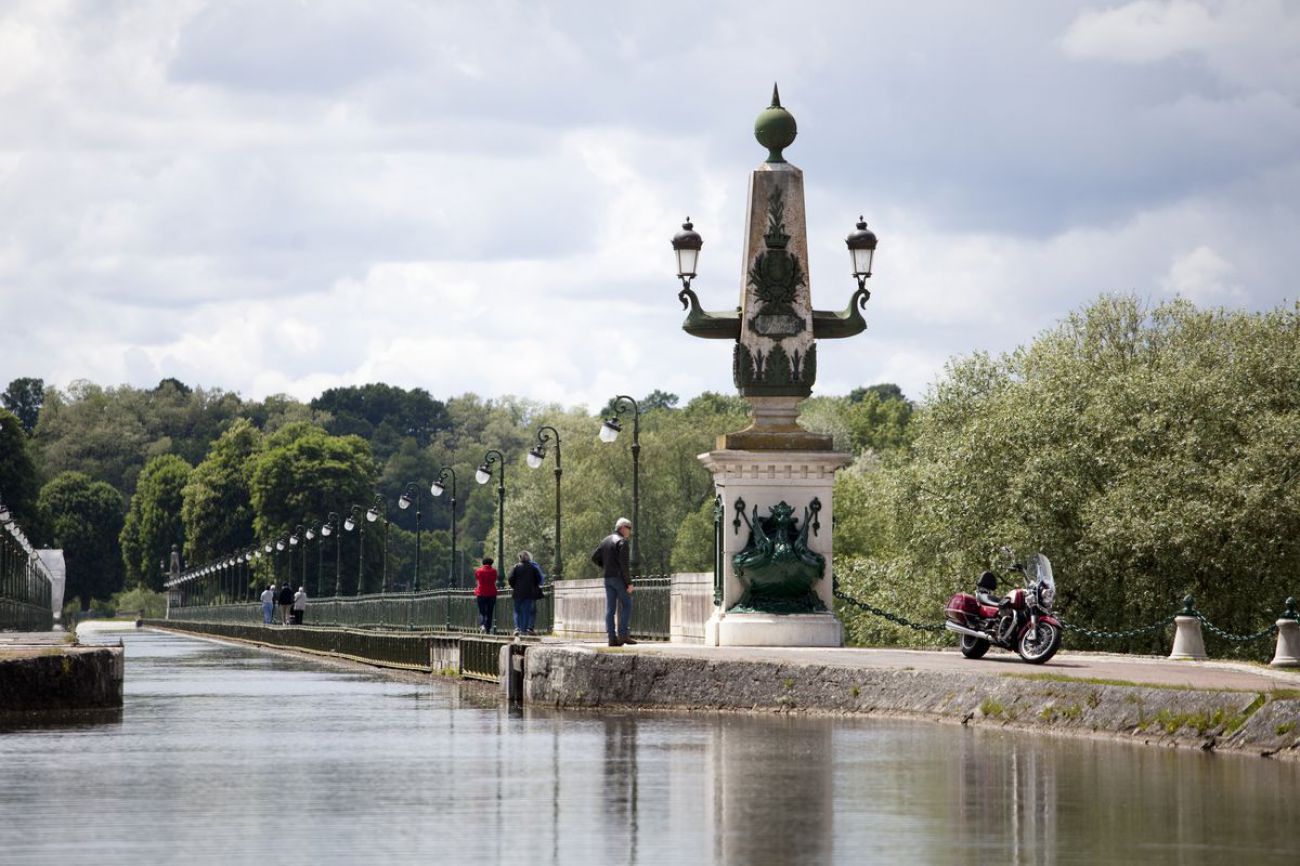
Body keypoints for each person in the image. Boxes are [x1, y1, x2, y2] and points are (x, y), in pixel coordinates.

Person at [591, 517, 635, 647]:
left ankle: (611, 638)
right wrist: (629, 583)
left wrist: (605, 566)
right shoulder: (622, 542)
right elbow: (624, 565)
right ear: (622, 528)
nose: (630, 531)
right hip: (618, 578)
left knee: (610, 609)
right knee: (627, 604)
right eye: (629, 528)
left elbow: (594, 557)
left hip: (607, 578)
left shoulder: (605, 541)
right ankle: (623, 635)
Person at [508, 551, 545, 636]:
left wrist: (515, 586)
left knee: (517, 611)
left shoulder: (516, 567)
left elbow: (510, 579)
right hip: (529, 592)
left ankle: (517, 628)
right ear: (528, 558)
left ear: (520, 558)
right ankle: (524, 630)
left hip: (517, 593)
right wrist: (533, 585)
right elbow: (539, 579)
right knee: (526, 611)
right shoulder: (533, 567)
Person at [474, 557, 498, 633]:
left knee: (482, 611)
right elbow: (495, 579)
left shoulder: (478, 571)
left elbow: (477, 578)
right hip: (491, 593)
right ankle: (488, 629)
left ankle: (482, 625)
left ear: (483, 563)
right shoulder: (494, 571)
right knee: (489, 612)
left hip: (481, 593)